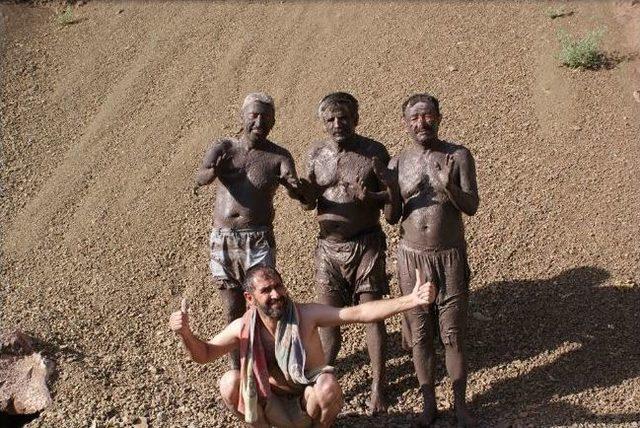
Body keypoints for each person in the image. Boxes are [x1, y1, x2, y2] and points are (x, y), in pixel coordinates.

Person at [169, 264, 436, 427]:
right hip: (268, 405)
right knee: (229, 382)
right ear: (250, 298)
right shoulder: (242, 327)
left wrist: (410, 300)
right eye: (266, 291)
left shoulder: (306, 316)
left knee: (328, 384)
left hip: (306, 405)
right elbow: (204, 354)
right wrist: (186, 334)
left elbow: (358, 313)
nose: (275, 294)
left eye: (278, 287)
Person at [299, 92, 400, 413]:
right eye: (330, 119)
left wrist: (369, 196)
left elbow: (391, 206)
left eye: (344, 117)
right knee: (328, 321)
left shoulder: (374, 153)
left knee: (374, 317)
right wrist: (306, 194)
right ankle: (321, 380)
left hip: (366, 245)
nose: (337, 124)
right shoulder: (315, 154)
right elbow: (308, 202)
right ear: (323, 123)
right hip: (328, 249)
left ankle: (378, 386)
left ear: (356, 118)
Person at [194, 93, 307, 369]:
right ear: (242, 117)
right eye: (254, 115)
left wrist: (295, 187)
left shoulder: (278, 156)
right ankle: (239, 368)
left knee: (266, 304)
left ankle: (273, 365)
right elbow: (200, 178)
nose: (259, 121)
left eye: (266, 117)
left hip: (257, 238)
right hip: (223, 239)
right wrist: (212, 170)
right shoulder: (224, 147)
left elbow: (301, 197)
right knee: (232, 306)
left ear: (274, 122)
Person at [391, 93, 479, 427]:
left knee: (453, 332)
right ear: (405, 123)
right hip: (412, 257)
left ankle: (460, 406)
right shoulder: (399, 162)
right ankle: (428, 404)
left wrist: (449, 187)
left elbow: (471, 206)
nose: (421, 123)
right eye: (414, 118)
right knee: (420, 332)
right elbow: (392, 217)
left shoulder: (458, 155)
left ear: (439, 117)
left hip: (450, 255)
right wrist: (393, 192)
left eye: (427, 116)